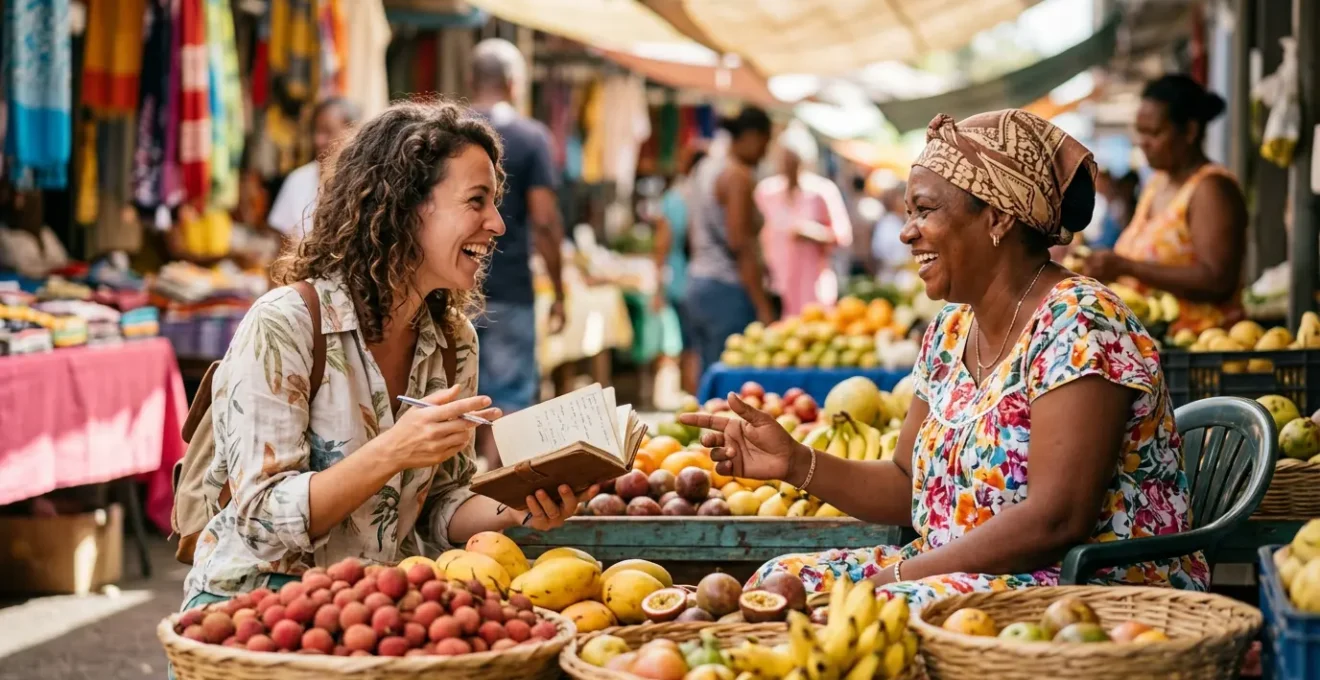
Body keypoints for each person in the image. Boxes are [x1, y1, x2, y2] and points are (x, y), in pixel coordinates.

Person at [680, 109, 1208, 607]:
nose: (907, 232)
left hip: (1082, 586)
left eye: (925, 210)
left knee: (859, 613)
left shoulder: (1080, 322)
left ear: (999, 217)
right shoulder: (951, 330)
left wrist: (903, 576)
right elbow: (907, 484)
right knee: (782, 583)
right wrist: (795, 463)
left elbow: (1056, 519)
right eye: (908, 213)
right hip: (957, 573)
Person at [183, 101, 594, 609]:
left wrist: (515, 506)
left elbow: (442, 506)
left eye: (495, 201)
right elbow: (263, 522)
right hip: (256, 613)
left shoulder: (453, 340)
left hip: (374, 611)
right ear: (406, 204)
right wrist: (394, 449)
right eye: (476, 200)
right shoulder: (285, 323)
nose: (497, 223)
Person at [1084, 75, 1247, 333]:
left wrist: (1128, 267)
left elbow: (1218, 279)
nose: (1143, 142)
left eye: (1155, 133)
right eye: (1141, 131)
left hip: (1202, 345)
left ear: (1190, 131)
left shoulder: (1211, 188)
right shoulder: (1157, 183)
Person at [467, 38, 567, 440]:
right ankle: (495, 491)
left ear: (471, 79)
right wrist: (560, 289)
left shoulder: (448, 133)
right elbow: (544, 220)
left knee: (450, 397)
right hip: (509, 288)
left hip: (446, 287)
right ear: (513, 82)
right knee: (508, 401)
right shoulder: (531, 137)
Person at [683, 106, 774, 372]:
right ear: (753, 137)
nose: (764, 153)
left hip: (698, 282)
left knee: (707, 372)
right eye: (765, 144)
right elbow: (740, 244)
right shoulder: (737, 176)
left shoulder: (704, 168)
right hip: (727, 289)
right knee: (729, 379)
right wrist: (762, 305)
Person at [754, 122, 852, 318]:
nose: (788, 164)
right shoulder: (766, 191)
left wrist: (812, 233)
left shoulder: (822, 191)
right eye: (785, 158)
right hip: (776, 286)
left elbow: (842, 236)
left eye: (793, 159)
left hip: (813, 287)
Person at [266, 97, 363, 244]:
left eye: (327, 132)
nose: (318, 140)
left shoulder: (363, 182)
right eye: (316, 131)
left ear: (351, 133)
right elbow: (280, 241)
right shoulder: (297, 180)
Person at [652, 147, 706, 396]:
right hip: (698, 281)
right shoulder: (705, 196)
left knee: (689, 345)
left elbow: (661, 244)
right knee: (696, 346)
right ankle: (698, 398)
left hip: (681, 280)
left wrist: (658, 286)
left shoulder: (674, 198)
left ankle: (693, 398)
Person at [870, 181, 910, 284]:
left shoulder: (910, 222)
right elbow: (879, 253)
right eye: (901, 198)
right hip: (889, 279)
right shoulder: (887, 223)